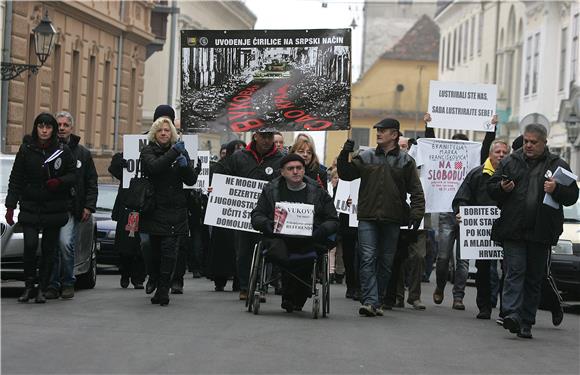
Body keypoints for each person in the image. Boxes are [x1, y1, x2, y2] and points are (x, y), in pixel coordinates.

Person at [487, 123, 578, 338]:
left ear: (543, 143)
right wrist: (501, 188)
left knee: (534, 277)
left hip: (541, 232)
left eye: (533, 142)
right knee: (515, 271)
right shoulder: (511, 161)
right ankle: (511, 315)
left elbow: (572, 196)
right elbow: (491, 188)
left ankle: (526, 321)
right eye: (525, 141)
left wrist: (557, 189)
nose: (528, 145)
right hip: (513, 229)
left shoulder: (558, 165)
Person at [338, 118, 425, 317]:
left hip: (393, 219)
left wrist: (417, 213)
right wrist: (345, 153)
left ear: (394, 135)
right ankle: (370, 301)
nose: (378, 133)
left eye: (383, 130)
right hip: (367, 217)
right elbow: (346, 174)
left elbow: (416, 191)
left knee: (386, 262)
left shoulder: (405, 161)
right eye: (378, 130)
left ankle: (377, 300)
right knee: (367, 258)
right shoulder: (366, 156)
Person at [424, 112, 498, 310]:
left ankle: (458, 296)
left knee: (463, 261)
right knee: (443, 258)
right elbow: (431, 149)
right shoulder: (442, 158)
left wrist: (491, 128)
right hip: (447, 213)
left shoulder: (475, 163)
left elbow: (486, 150)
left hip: (468, 215)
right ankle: (440, 286)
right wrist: (429, 126)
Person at [251, 153, 338, 312]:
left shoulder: (318, 192)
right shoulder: (270, 190)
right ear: (282, 172)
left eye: (299, 168)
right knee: (279, 250)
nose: (296, 171)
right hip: (279, 239)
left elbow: (333, 219)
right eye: (291, 169)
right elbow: (256, 215)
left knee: (307, 252)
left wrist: (321, 230)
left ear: (304, 171)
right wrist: (268, 225)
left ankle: (296, 297)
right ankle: (289, 295)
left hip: (308, 239)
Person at [5, 113, 76, 303]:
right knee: (29, 246)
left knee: (49, 249)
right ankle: (29, 285)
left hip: (54, 208)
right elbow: (16, 178)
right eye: (41, 126)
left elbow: (73, 175)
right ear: (36, 128)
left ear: (52, 130)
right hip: (30, 206)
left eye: (48, 127)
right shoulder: (26, 149)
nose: (44, 130)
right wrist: (10, 205)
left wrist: (59, 182)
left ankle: (42, 288)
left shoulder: (62, 150)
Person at [139, 109, 200, 306]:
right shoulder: (148, 151)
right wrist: (174, 153)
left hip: (175, 209)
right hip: (154, 208)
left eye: (167, 130)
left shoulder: (179, 150)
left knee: (169, 251)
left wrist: (185, 166)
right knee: (153, 250)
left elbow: (190, 179)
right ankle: (155, 279)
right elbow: (154, 167)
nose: (164, 133)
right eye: (160, 131)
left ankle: (164, 289)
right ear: (155, 134)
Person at [223, 128, 283, 300]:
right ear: (255, 136)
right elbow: (226, 179)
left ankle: (260, 285)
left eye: (270, 137)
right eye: (263, 136)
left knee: (266, 250)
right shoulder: (239, 157)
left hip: (267, 215)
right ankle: (244, 286)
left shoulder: (280, 159)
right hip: (241, 215)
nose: (266, 140)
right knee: (243, 252)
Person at [452, 140, 510, 319]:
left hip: (507, 229)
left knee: (507, 270)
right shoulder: (477, 174)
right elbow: (462, 197)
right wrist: (461, 212)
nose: (501, 155)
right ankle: (484, 306)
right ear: (490, 154)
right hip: (482, 231)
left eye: (504, 152)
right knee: (483, 269)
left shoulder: (513, 174)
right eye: (498, 151)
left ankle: (506, 309)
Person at [44, 111, 98, 299]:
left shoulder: (82, 153)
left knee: (65, 243)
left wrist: (88, 206)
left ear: (71, 128)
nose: (61, 128)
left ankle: (68, 281)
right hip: (50, 207)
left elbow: (91, 182)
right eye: (58, 124)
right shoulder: (47, 150)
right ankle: (52, 284)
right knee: (53, 246)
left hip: (70, 208)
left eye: (65, 125)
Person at [208, 139, 246, 292]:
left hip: (241, 215)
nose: (239, 152)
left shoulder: (248, 166)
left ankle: (239, 280)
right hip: (223, 214)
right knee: (222, 248)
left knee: (240, 248)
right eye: (236, 149)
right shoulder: (220, 166)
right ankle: (220, 279)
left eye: (242, 149)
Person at [108, 153, 147, 290]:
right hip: (129, 208)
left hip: (147, 208)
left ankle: (138, 278)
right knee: (126, 245)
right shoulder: (126, 156)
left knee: (142, 246)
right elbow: (114, 169)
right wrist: (120, 162)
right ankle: (125, 272)